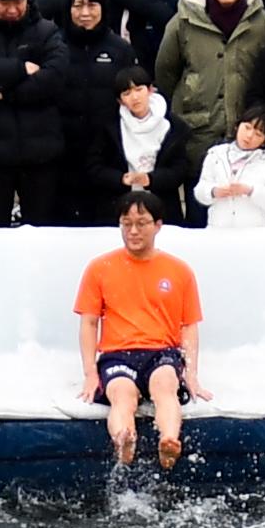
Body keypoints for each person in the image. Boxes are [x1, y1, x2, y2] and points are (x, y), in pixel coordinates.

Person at [76, 198, 204, 484]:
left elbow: (189, 327)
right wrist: (89, 374)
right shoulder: (100, 267)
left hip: (161, 351)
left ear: (158, 226)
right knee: (122, 395)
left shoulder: (179, 270)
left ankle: (169, 440)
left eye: (142, 223)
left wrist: (192, 375)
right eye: (126, 224)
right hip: (117, 353)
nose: (133, 231)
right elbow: (88, 323)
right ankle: (124, 439)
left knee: (165, 386)